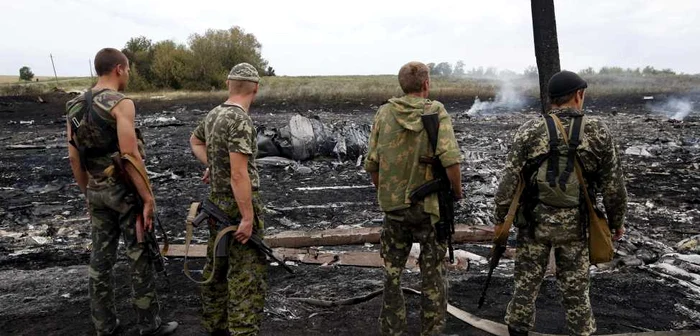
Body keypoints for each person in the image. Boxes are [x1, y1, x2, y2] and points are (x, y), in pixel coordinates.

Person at [494, 70, 628, 336]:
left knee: (525, 286)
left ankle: (518, 330)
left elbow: (508, 181)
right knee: (577, 291)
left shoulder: (530, 130)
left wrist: (500, 217)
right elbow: (614, 186)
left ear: (551, 99)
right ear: (579, 95)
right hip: (577, 227)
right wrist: (616, 223)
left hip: (534, 223)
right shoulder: (598, 131)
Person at [66, 48, 178, 336]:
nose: (128, 75)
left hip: (96, 190)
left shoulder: (74, 107)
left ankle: (104, 325)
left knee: (100, 261)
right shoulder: (121, 103)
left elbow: (75, 158)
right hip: (125, 193)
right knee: (139, 255)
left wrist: (87, 194)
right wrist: (148, 197)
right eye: (127, 69)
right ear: (118, 68)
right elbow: (129, 155)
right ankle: (149, 325)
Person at [365, 61, 462, 336]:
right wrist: (456, 192)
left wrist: (387, 192)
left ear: (401, 85)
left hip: (394, 210)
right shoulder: (436, 111)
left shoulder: (384, 113)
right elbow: (451, 160)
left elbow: (373, 164)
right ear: (426, 84)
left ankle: (392, 330)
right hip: (430, 210)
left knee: (392, 276)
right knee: (433, 276)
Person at [189, 63, 267, 336]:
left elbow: (195, 142)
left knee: (217, 266)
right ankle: (243, 331)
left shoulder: (214, 114)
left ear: (228, 84)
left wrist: (213, 164)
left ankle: (216, 326)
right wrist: (247, 218)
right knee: (246, 274)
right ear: (255, 88)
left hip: (215, 204)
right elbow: (238, 174)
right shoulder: (240, 120)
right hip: (236, 206)